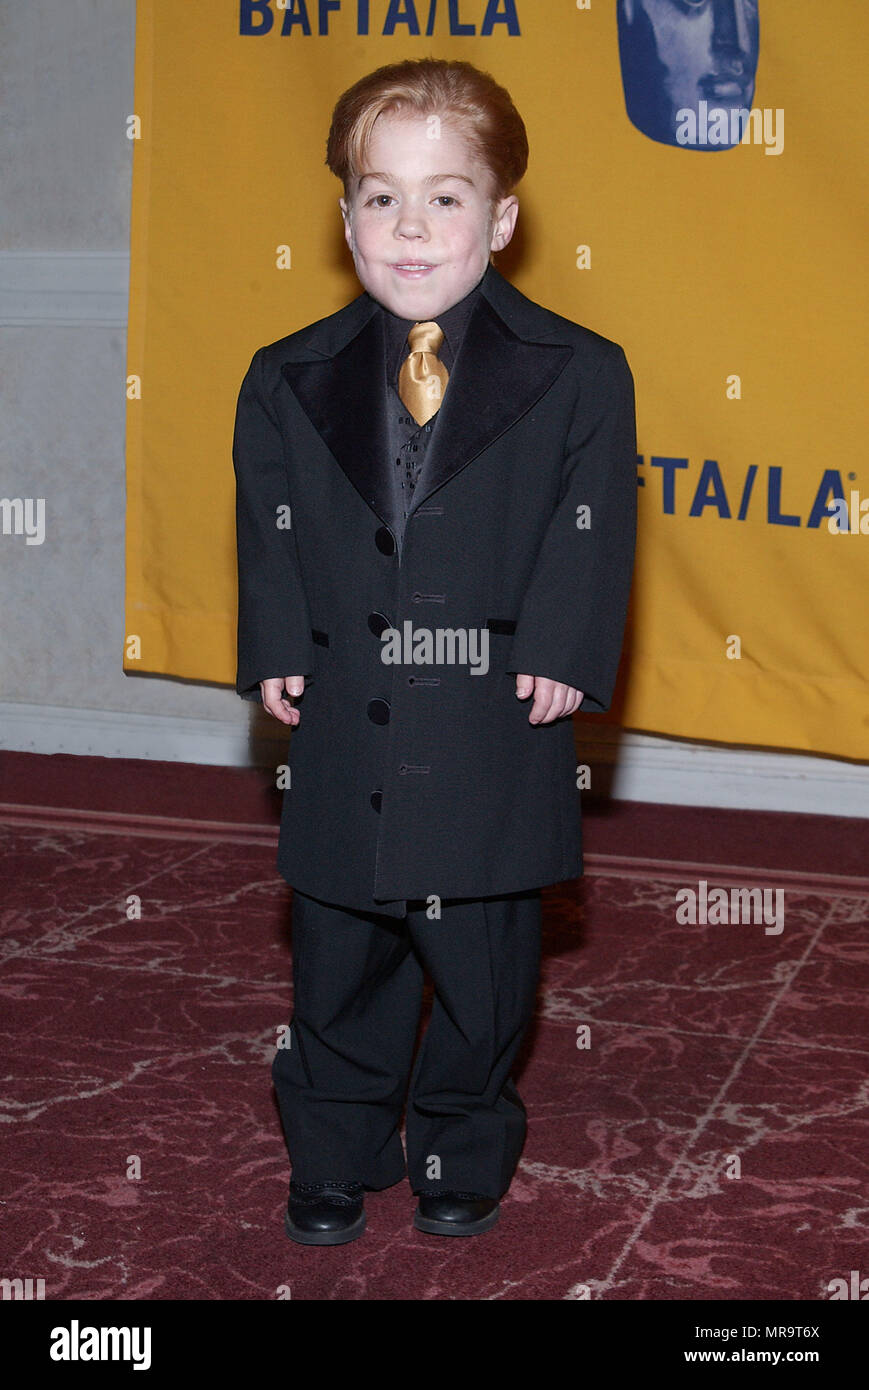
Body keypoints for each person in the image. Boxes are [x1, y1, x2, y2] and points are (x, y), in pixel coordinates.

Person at [232, 57, 637, 1245]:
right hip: (347, 720)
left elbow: (593, 524)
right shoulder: (285, 375)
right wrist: (271, 645)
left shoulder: (578, 372)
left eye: (445, 197)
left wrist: (563, 644)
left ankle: (458, 1138)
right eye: (379, 197)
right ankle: (334, 1147)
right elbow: (265, 531)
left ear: (501, 217)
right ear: (343, 213)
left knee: (481, 970)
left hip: (490, 720)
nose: (410, 228)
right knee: (337, 961)